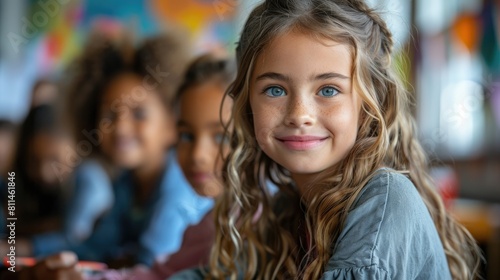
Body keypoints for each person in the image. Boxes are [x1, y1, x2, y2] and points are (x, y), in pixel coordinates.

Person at [173, 0, 482, 279]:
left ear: (368, 103)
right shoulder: (285, 213)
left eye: (328, 90)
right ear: (247, 105)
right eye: (275, 90)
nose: (299, 114)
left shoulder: (385, 202)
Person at [2, 54, 234, 280]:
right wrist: (23, 250)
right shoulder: (125, 183)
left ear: (170, 124)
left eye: (139, 113)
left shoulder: (180, 189)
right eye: (109, 115)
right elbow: (95, 248)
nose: (120, 128)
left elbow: (151, 266)